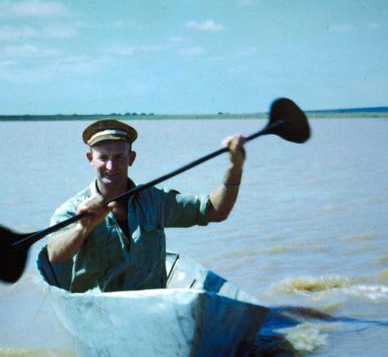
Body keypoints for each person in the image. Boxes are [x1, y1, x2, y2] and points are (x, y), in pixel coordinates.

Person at [47, 119, 246, 293]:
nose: (110, 166)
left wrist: (235, 168)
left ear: (131, 158)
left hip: (151, 305)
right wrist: (83, 227)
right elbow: (55, 256)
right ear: (91, 159)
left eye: (119, 157)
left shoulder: (155, 200)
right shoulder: (73, 208)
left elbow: (215, 211)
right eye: (103, 158)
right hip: (97, 308)